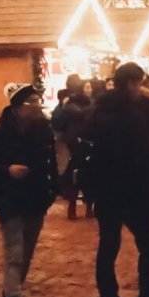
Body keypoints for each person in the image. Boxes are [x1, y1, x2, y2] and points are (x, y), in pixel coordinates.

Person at [84, 62, 149, 297]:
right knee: (148, 246)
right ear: (132, 83)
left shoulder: (98, 110)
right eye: (139, 84)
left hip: (106, 188)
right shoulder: (131, 115)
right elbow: (143, 148)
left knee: (108, 246)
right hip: (134, 188)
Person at [0, 84, 59, 297]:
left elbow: (51, 163)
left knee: (26, 250)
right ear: (17, 108)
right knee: (15, 250)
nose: (37, 104)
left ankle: (10, 295)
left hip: (36, 197)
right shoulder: (0, 135)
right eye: (30, 102)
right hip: (10, 197)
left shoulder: (44, 132)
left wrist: (53, 190)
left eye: (38, 100)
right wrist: (7, 170)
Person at [50, 76, 94, 219]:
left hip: (77, 143)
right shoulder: (75, 104)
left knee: (78, 175)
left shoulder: (67, 104)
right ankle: (79, 206)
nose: (89, 89)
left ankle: (79, 206)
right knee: (80, 174)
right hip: (78, 143)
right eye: (86, 87)